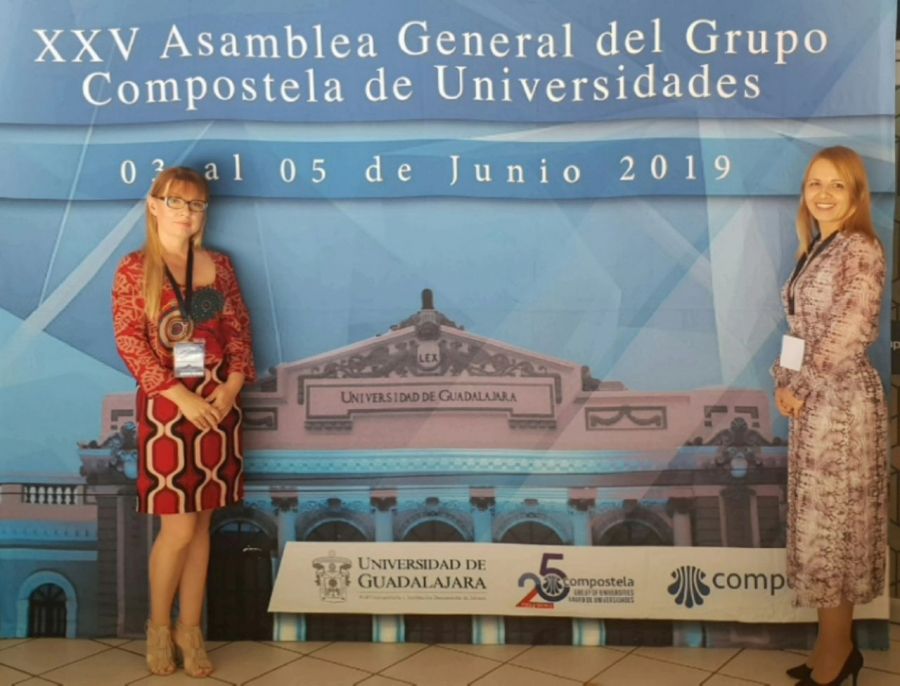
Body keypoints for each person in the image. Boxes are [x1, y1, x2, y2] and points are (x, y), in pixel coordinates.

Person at [112, 167, 255, 677]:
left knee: (202, 526)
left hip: (217, 403)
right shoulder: (135, 268)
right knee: (178, 526)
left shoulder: (220, 266)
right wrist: (180, 397)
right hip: (168, 406)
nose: (186, 213)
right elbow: (130, 340)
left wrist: (230, 389)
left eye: (196, 204)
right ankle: (158, 627)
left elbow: (239, 332)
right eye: (175, 201)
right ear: (154, 206)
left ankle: (189, 631)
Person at [772, 146, 887, 686]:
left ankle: (839, 652)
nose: (823, 194)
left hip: (841, 405)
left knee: (836, 529)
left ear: (856, 195)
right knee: (819, 529)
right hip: (812, 402)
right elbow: (799, 332)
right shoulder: (816, 248)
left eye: (837, 185)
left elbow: (849, 333)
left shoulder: (860, 248)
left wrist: (800, 386)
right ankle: (830, 646)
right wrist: (783, 381)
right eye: (815, 183)